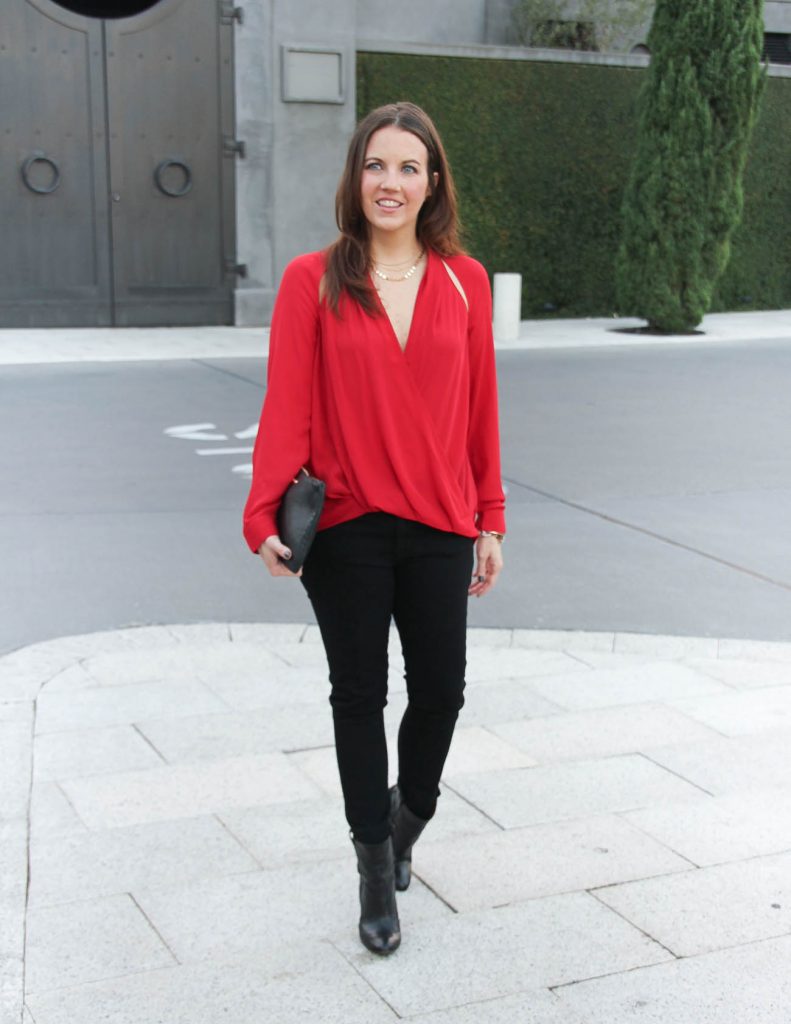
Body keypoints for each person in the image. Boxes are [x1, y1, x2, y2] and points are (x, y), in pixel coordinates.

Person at [243, 101, 505, 955]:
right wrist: (261, 515)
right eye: (376, 166)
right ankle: (371, 871)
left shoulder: (464, 281)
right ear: (354, 178)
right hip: (348, 526)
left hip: (437, 521)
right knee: (357, 695)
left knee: (442, 691)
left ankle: (408, 818)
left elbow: (479, 413)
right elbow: (287, 405)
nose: (389, 183)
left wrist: (490, 516)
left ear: (432, 185)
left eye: (408, 168)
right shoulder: (311, 280)